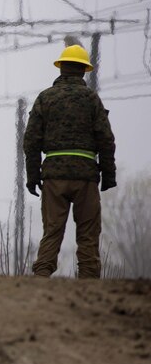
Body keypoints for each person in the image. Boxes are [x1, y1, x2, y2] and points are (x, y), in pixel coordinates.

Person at [23, 44, 117, 279]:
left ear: (61, 68)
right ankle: (88, 281)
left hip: (54, 177)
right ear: (84, 70)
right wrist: (108, 175)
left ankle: (42, 275)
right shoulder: (91, 99)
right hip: (86, 178)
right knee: (87, 233)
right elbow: (106, 139)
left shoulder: (45, 98)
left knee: (52, 230)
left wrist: (33, 176)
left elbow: (31, 141)